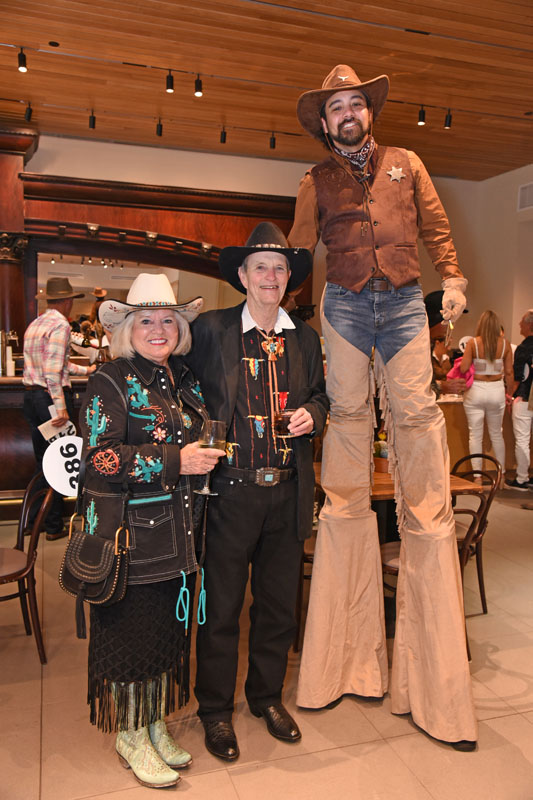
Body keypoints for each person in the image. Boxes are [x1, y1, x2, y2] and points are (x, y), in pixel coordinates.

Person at [289, 64, 477, 749]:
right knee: (345, 418)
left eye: (353, 103)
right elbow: (296, 249)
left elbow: (434, 226)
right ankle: (346, 657)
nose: (346, 113)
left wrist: (451, 277)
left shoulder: (406, 162)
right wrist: (278, 306)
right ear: (324, 118)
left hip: (401, 305)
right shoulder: (313, 180)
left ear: (367, 111)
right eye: (335, 106)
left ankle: (426, 526)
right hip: (340, 305)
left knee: (417, 416)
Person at [186, 222, 328, 761]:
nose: (271, 276)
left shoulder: (306, 339)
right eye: (260, 267)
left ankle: (266, 696)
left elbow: (320, 395)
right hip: (227, 494)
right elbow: (181, 387)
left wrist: (312, 415)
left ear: (289, 278)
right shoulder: (210, 331)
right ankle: (215, 711)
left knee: (276, 609)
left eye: (279, 267)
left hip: (287, 492)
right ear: (243, 276)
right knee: (220, 609)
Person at [79, 273, 222, 789]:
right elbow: (98, 458)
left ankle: (153, 723)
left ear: (180, 328)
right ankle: (130, 733)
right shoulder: (110, 380)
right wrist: (175, 460)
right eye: (147, 320)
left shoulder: (183, 378)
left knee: (164, 635)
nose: (158, 329)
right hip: (131, 539)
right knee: (131, 637)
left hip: (180, 534)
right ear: (127, 328)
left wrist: (198, 457)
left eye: (168, 320)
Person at [22, 277, 96, 540]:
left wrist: (87, 370)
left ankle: (32, 522)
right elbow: (53, 372)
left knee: (43, 463)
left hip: (31, 399)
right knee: (58, 462)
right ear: (66, 301)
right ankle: (53, 526)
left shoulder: (36, 324)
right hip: (49, 400)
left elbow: (56, 363)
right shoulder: (61, 325)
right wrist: (60, 406)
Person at [459, 310, 513, 484]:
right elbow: (510, 372)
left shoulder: (473, 343)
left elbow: (463, 368)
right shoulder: (505, 345)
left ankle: (477, 477)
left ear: (481, 325)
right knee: (497, 434)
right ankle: (501, 476)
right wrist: (509, 393)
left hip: (476, 390)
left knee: (475, 435)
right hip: (496, 390)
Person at [506, 309, 533, 490]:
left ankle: (522, 478)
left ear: (529, 325)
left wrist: (510, 396)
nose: (519, 325)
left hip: (524, 398)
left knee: (522, 439)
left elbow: (517, 377)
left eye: (522, 321)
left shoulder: (523, 348)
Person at [424, 290, 468, 397]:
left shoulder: (429, 342)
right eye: (450, 321)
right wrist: (442, 386)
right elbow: (418, 385)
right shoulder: (418, 344)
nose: (451, 326)